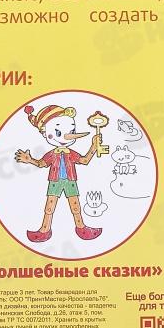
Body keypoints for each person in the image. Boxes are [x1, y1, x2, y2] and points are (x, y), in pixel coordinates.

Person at [13, 103, 104, 243]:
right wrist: (29, 160)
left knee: (75, 207)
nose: (68, 136)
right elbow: (41, 164)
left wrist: (93, 146)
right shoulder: (52, 154)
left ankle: (81, 228)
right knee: (49, 208)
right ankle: (44, 230)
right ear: (46, 133)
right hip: (55, 181)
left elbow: (85, 160)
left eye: (72, 130)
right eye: (58, 133)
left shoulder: (71, 153)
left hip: (70, 181)